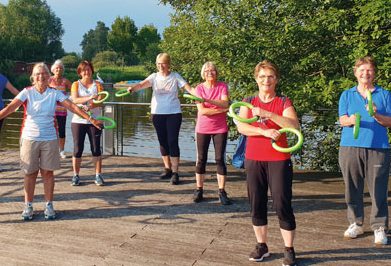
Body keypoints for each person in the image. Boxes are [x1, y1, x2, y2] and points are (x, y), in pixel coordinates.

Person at [0, 63, 101, 220]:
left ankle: (48, 205)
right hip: (29, 138)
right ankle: (28, 205)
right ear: (33, 77)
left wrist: (91, 119)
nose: (41, 76)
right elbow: (9, 108)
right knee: (29, 174)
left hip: (49, 138)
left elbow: (72, 106)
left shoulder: (54, 93)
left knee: (48, 174)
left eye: (44, 73)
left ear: (48, 76)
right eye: (37, 74)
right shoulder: (27, 92)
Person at [236, 60, 299, 266]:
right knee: (256, 203)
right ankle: (261, 246)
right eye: (262, 76)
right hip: (254, 159)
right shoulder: (248, 100)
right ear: (256, 78)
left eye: (270, 76)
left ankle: (289, 250)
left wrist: (268, 114)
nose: (266, 80)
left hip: (279, 159)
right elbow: (242, 128)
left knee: (282, 203)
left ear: (276, 79)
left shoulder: (283, 101)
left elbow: (294, 126)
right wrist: (263, 131)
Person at [338, 56, 391, 245]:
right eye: (361, 70)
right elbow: (342, 120)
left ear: (374, 73)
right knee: (352, 188)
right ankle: (355, 223)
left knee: (378, 189)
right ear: (355, 73)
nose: (365, 73)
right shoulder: (347, 94)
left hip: (378, 148)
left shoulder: (384, 94)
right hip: (350, 147)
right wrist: (352, 120)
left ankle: (379, 227)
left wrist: (376, 114)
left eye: (369, 70)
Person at [126, 53, 199, 185]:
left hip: (174, 113)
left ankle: (176, 172)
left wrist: (201, 95)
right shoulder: (154, 77)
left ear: (169, 64)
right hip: (157, 113)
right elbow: (142, 84)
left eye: (163, 63)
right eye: (159, 64)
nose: (161, 66)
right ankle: (167, 169)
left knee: (172, 140)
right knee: (162, 141)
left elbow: (188, 88)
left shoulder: (175, 76)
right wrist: (133, 88)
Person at [191, 62, 231, 204]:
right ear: (203, 74)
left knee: (220, 159)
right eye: (207, 71)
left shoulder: (222, 86)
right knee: (201, 159)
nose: (210, 73)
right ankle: (199, 189)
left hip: (220, 128)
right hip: (203, 128)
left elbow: (226, 103)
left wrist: (208, 101)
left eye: (213, 70)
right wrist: (220, 109)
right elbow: (203, 111)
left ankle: (222, 191)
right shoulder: (199, 89)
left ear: (216, 73)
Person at [69, 60, 105, 186]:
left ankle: (98, 175)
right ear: (80, 72)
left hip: (95, 120)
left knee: (96, 148)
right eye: (84, 70)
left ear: (92, 71)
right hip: (78, 121)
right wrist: (89, 98)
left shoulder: (98, 84)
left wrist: (91, 105)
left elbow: (101, 101)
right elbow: (75, 99)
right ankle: (76, 175)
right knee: (78, 148)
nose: (87, 72)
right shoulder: (75, 84)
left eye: (89, 69)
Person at [48, 59, 72, 159]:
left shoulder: (65, 81)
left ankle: (62, 150)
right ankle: (51, 150)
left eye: (60, 68)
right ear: (53, 69)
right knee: (51, 131)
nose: (58, 70)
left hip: (62, 110)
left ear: (62, 70)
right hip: (50, 110)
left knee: (62, 131)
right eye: (57, 68)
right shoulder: (49, 80)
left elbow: (74, 91)